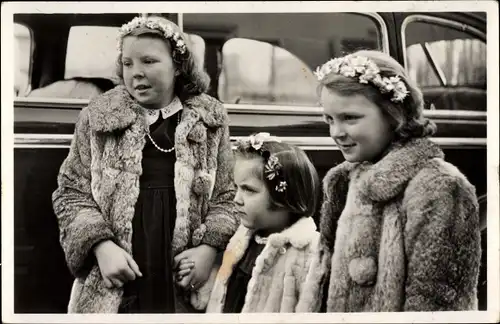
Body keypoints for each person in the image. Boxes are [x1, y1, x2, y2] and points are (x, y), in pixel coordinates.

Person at [52, 15, 241, 313]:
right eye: (128, 64)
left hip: (182, 270)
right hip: (122, 265)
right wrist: (101, 246)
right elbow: (71, 193)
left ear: (178, 65)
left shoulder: (209, 120)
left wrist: (208, 250)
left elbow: (228, 197)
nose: (136, 73)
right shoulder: (99, 118)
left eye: (149, 61)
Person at [296, 50, 481, 312]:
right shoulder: (343, 181)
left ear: (393, 114)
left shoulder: (438, 187)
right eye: (329, 119)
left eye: (350, 117)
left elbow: (435, 304)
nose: (336, 132)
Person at [180, 132, 321, 312]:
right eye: (236, 187)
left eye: (248, 190)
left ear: (283, 197)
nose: (237, 199)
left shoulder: (309, 254)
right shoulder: (240, 239)